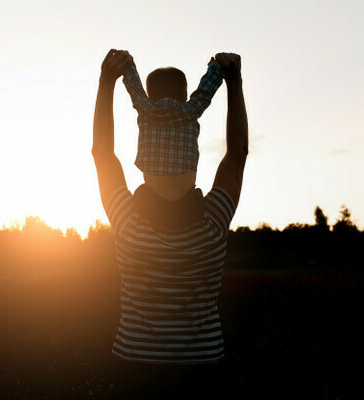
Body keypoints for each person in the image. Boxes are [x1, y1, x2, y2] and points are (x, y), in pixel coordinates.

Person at [92, 49, 248, 399]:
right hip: (202, 368)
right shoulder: (214, 221)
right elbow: (237, 154)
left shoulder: (127, 220)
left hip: (134, 367)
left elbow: (102, 153)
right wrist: (234, 83)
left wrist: (106, 83)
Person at [121, 55, 225, 201]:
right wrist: (215, 67)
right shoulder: (191, 110)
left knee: (141, 196)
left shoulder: (146, 110)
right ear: (184, 95)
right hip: (186, 198)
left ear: (150, 96)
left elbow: (134, 88)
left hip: (152, 198)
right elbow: (204, 92)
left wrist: (127, 64)